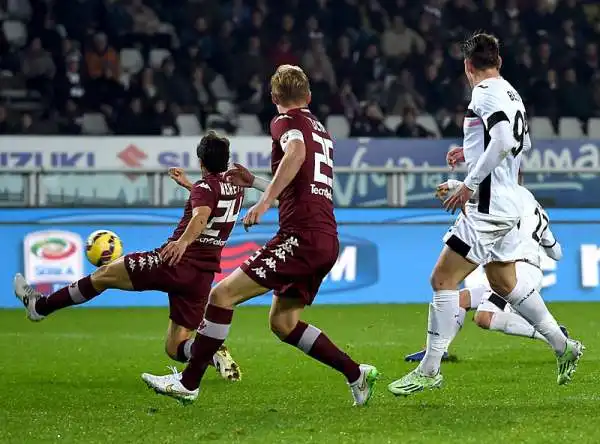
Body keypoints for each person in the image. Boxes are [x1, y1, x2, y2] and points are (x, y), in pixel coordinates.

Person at [141, 65, 378, 406]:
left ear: (274, 98)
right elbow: (301, 186)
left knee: (221, 296)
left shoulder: (285, 122)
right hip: (325, 236)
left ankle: (189, 383)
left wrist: (264, 201)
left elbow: (295, 153)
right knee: (283, 322)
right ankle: (356, 374)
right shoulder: (321, 130)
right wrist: (254, 183)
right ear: (309, 96)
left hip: (301, 235)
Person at [387, 33, 583, 396]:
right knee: (503, 283)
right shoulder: (511, 92)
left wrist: (470, 183)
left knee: (442, 280)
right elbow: (520, 143)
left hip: (488, 209)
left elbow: (505, 139)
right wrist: (471, 151)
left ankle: (429, 371)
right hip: (509, 203)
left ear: (467, 66)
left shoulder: (483, 92)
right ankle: (563, 346)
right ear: (499, 62)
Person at [13, 132, 243, 381]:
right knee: (174, 346)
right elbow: (213, 204)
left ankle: (40, 307)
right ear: (226, 160)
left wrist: (182, 242)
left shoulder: (205, 188)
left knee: (102, 275)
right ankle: (210, 353)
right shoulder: (235, 189)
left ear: (201, 161)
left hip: (172, 262)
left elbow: (200, 216)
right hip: (201, 276)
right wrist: (189, 185)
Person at [404, 181, 567, 364]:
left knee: (484, 317)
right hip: (525, 268)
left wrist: (453, 186)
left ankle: (555, 336)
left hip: (517, 269)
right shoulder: (537, 207)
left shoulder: (506, 199)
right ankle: (439, 351)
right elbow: (556, 253)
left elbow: (482, 194)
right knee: (459, 300)